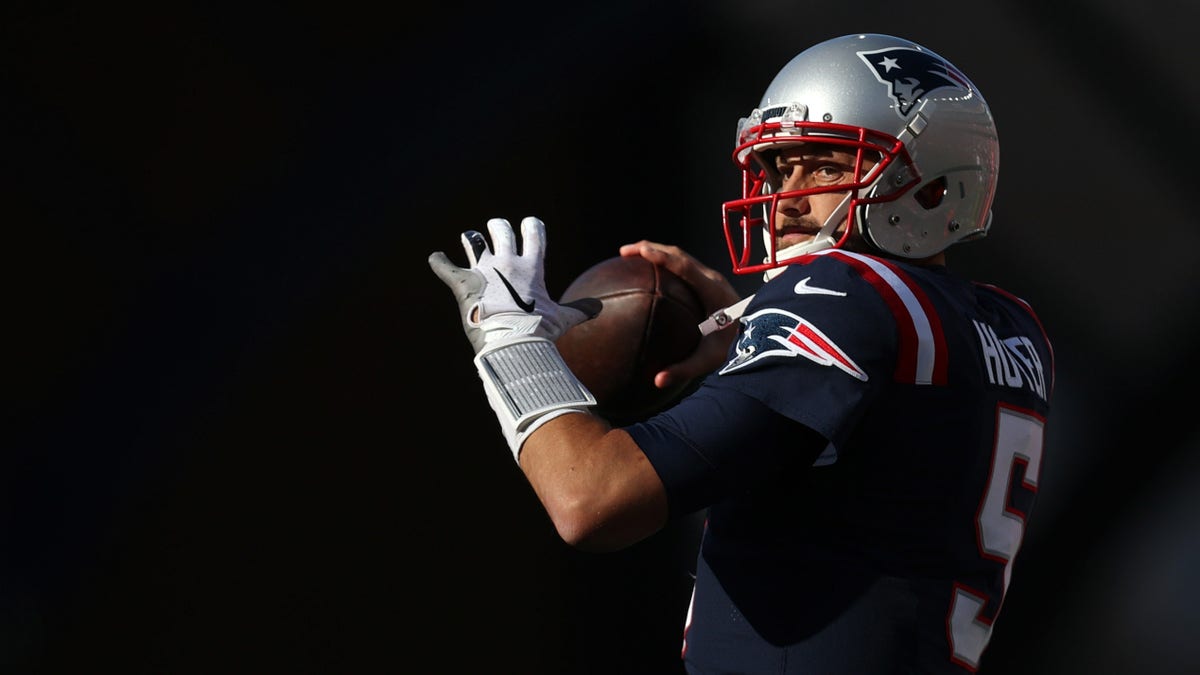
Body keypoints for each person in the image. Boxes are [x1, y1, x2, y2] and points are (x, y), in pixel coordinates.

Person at [429, 33, 1053, 674]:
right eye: (780, 168)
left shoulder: (846, 294)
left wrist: (510, 339)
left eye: (829, 167)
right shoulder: (1012, 327)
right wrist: (753, 344)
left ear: (932, 188)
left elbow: (592, 500)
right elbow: (883, 437)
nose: (788, 198)